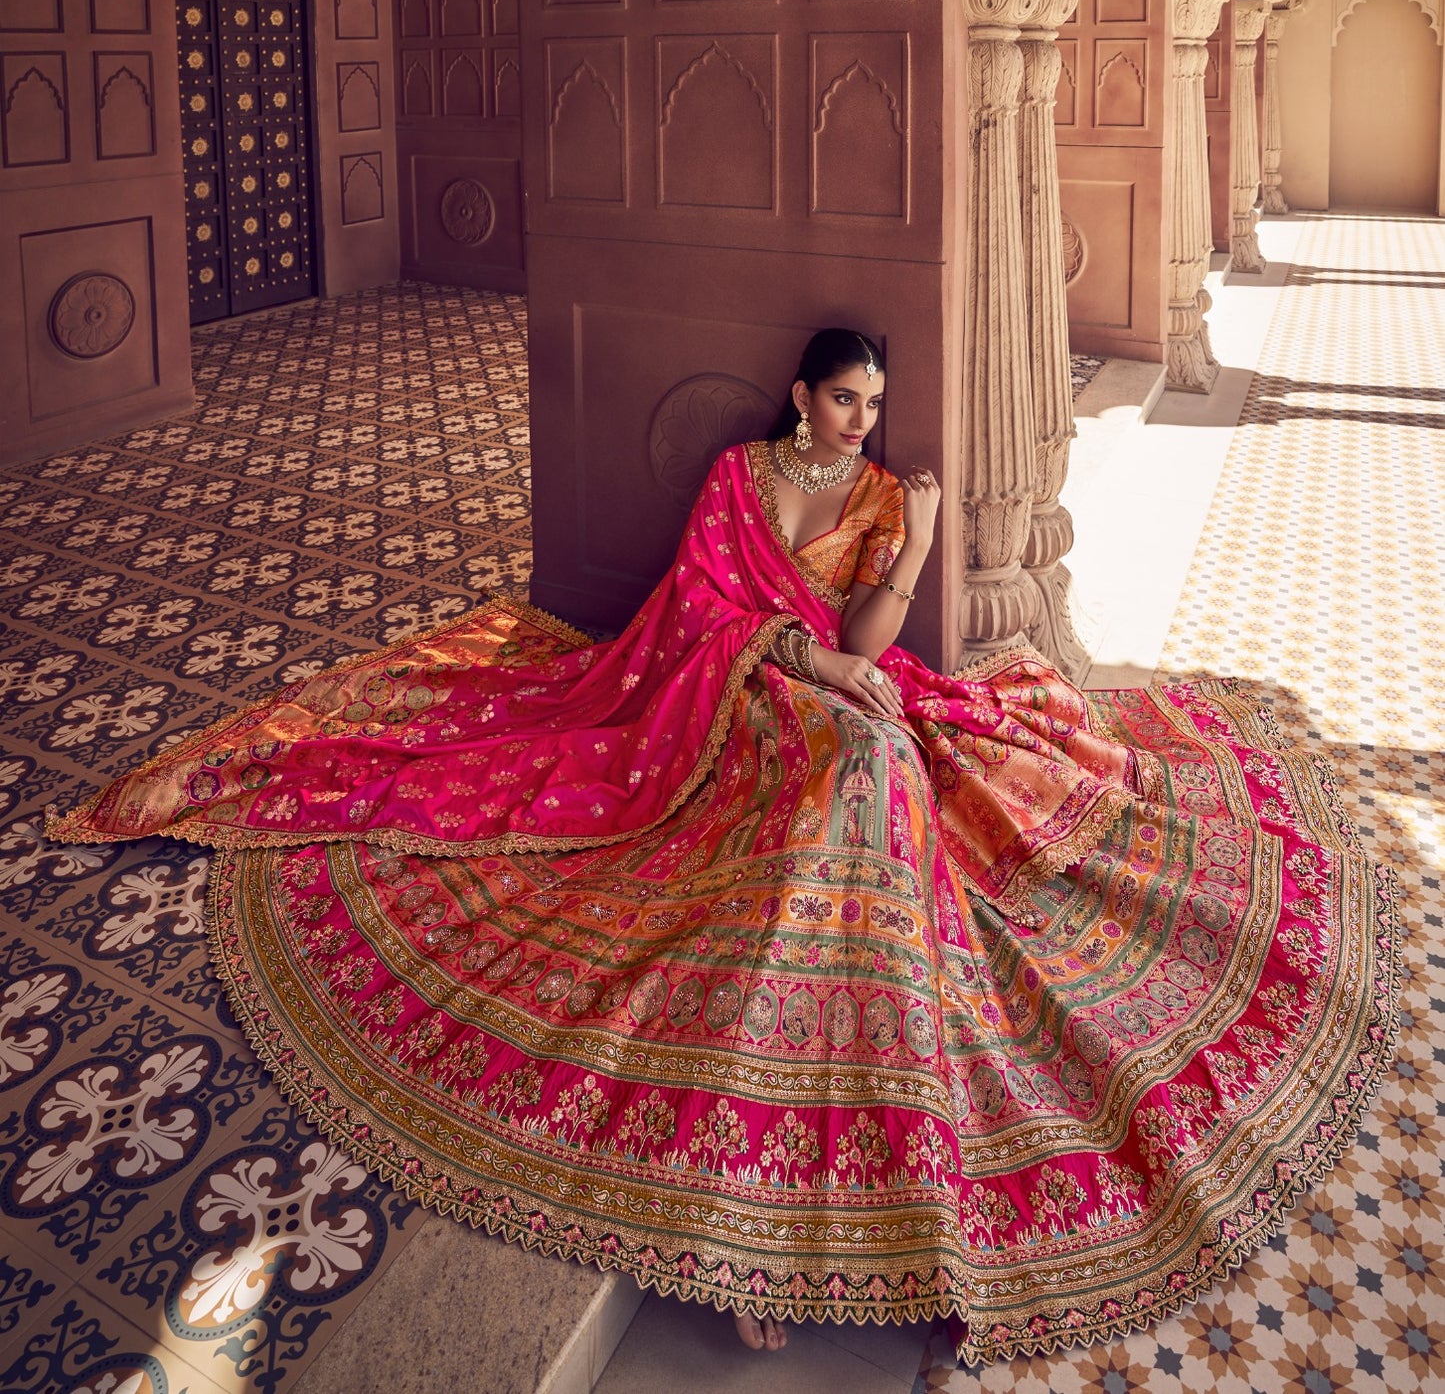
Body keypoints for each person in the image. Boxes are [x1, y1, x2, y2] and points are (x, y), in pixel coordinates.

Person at [48, 328, 1395, 1365]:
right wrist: (786, 649)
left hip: (832, 695)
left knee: (870, 763)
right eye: (847, 399)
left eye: (875, 403)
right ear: (801, 394)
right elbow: (693, 612)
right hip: (718, 695)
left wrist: (915, 538)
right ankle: (764, 1158)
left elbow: (872, 651)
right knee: (826, 776)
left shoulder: (874, 497)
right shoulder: (734, 477)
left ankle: (826, 1077)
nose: (865, 421)